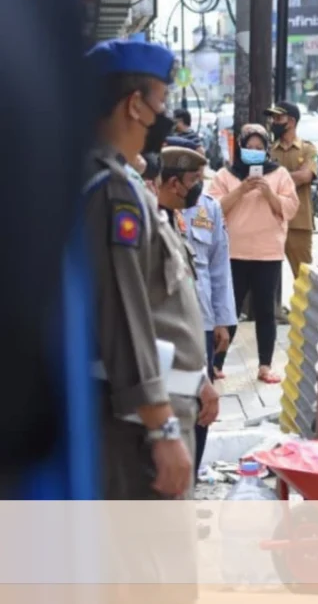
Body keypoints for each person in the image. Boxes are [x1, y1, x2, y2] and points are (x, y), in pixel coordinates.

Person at [83, 39, 203, 500]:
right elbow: (125, 314)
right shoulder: (110, 189)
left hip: (156, 411)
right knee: (153, 565)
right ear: (135, 105)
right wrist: (162, 430)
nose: (165, 115)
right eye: (161, 100)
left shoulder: (119, 177)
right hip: (138, 426)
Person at [208, 128, 300, 384]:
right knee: (229, 311)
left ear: (267, 149)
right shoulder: (226, 175)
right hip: (233, 253)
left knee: (265, 312)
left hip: (268, 252)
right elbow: (215, 209)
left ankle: (265, 365)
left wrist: (267, 192)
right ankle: (216, 363)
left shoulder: (279, 174)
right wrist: (242, 190)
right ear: (241, 148)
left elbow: (290, 208)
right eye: (251, 146)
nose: (255, 151)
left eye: (260, 147)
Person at [157, 146, 224, 481]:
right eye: (194, 180)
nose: (200, 186)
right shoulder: (149, 225)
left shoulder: (192, 213)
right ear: (173, 184)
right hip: (162, 376)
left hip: (197, 337)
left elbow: (217, 265)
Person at [265, 102, 318, 279]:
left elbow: (305, 176)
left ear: (292, 121)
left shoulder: (308, 148)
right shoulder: (268, 151)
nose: (274, 122)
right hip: (271, 221)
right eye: (273, 118)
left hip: (299, 222)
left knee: (303, 277)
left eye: (278, 118)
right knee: (267, 276)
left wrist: (275, 179)